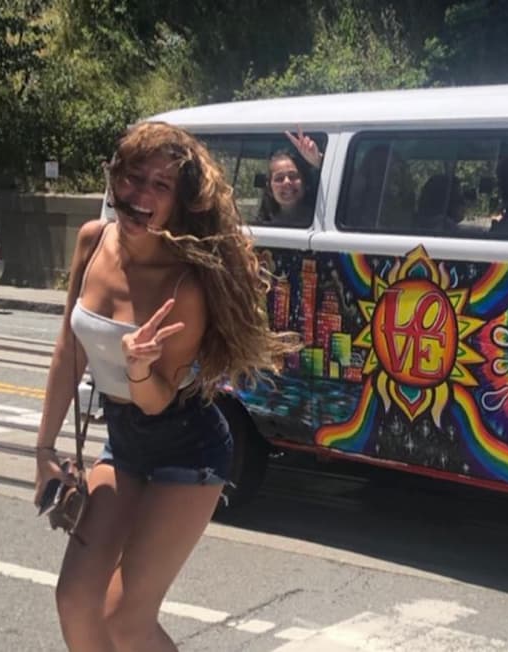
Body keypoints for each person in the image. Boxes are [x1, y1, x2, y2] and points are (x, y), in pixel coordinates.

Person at [32, 121, 300, 651]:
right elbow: (68, 350)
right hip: (124, 443)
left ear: (178, 204)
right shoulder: (92, 242)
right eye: (134, 177)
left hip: (188, 448)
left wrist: (137, 368)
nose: (141, 195)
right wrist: (43, 448)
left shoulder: (186, 284)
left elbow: (156, 401)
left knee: (125, 621)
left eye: (161, 186)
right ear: (115, 178)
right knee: (75, 599)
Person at [255, 127, 323, 227]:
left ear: (304, 182)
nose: (287, 182)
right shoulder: (262, 225)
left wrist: (319, 161)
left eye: (293, 176)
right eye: (279, 179)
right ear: (269, 188)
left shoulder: (321, 219)